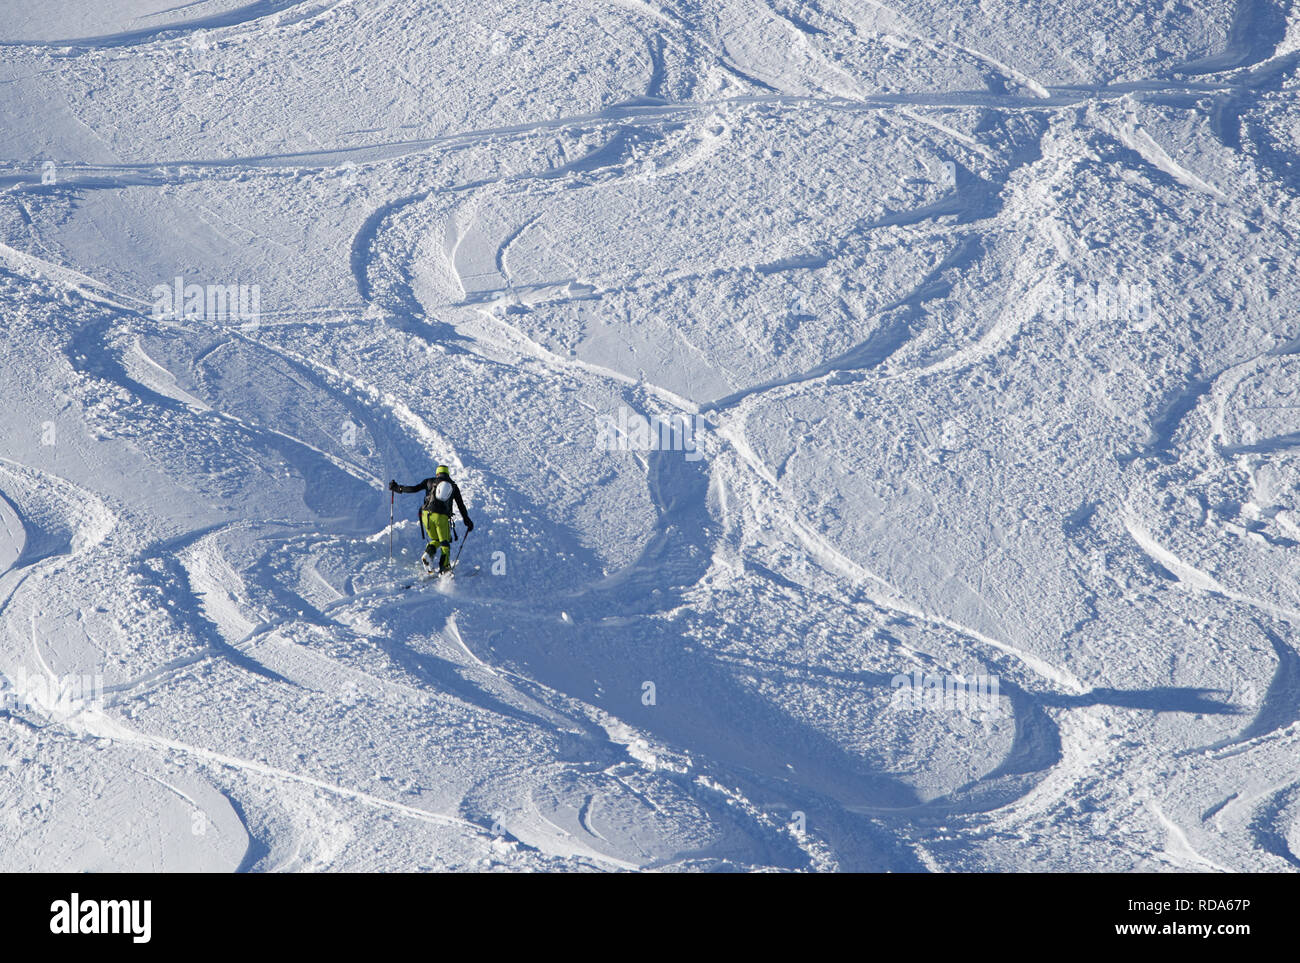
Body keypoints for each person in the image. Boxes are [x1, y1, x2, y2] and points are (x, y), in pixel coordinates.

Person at [389, 465, 474, 574]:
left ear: (437, 474)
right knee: (445, 542)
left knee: (435, 540)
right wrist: (467, 520)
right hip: (441, 517)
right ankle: (445, 568)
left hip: (426, 515)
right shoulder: (453, 487)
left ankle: (428, 554)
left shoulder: (429, 481)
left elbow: (414, 489)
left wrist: (397, 488)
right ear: (447, 474)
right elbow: (461, 505)